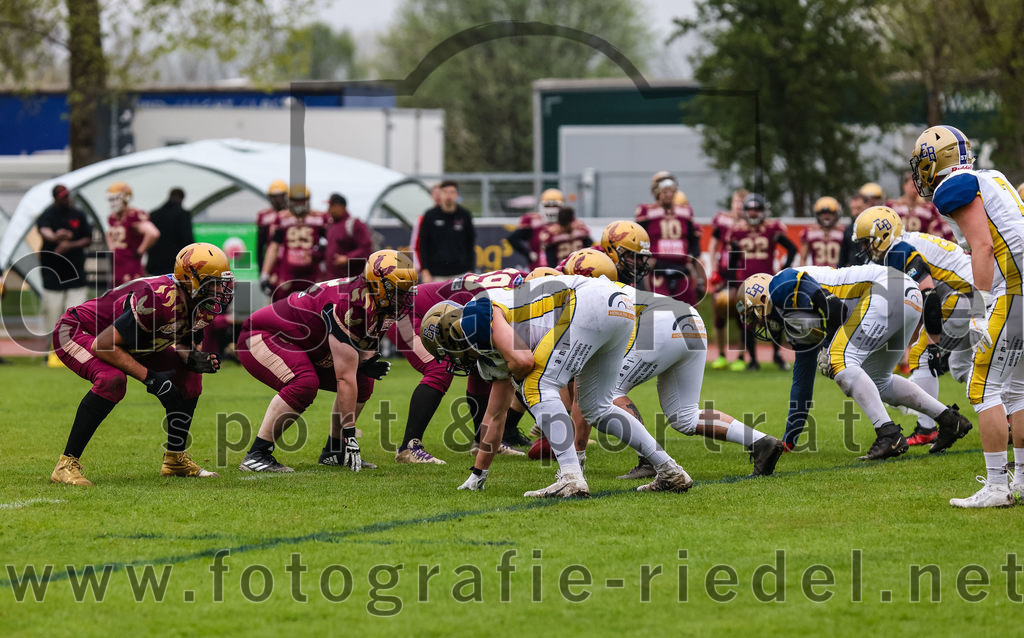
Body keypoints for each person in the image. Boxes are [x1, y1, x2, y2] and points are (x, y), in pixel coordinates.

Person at [426, 273, 693, 497]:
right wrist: (478, 474)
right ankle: (670, 470)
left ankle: (570, 477)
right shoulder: (488, 344)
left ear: (451, 334)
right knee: (597, 408)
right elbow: (495, 416)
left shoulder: (475, 315)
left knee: (536, 386)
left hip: (589, 301)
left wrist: (521, 383)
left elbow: (523, 360)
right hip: (618, 305)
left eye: (447, 353)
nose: (452, 360)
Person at [562, 247, 785, 480]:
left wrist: (576, 454)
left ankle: (647, 458)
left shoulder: (586, 298)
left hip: (661, 324)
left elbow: (582, 381)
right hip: (690, 318)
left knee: (608, 393)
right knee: (684, 416)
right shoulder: (611, 289)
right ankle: (761, 442)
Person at [739, 264, 972, 459]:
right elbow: (802, 380)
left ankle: (888, 434)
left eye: (755, 316)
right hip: (905, 295)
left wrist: (828, 335)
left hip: (886, 290)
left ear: (761, 299)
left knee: (838, 359)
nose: (759, 325)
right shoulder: (793, 316)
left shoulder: (780, 286)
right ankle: (950, 419)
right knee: (878, 381)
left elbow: (828, 303)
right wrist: (789, 439)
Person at [49, 243, 233, 486]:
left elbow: (182, 341)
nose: (219, 289)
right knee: (112, 380)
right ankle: (66, 464)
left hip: (130, 341)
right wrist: (153, 379)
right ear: (190, 280)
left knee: (190, 376)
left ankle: (175, 458)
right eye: (213, 283)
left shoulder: (200, 304)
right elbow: (103, 345)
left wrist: (192, 358)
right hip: (79, 330)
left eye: (222, 282)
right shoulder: (158, 298)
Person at [910, 124, 1024, 507]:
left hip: (1014, 284)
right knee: (1017, 389)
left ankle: (996, 487)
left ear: (934, 160)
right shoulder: (992, 176)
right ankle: (1021, 479)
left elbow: (982, 246)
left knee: (983, 386)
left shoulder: (952, 187)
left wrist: (979, 308)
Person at [236, 250, 416, 473]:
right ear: (377, 283)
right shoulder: (348, 303)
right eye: (397, 291)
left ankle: (334, 451)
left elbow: (363, 349)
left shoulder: (375, 301)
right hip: (263, 334)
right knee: (304, 383)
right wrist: (351, 433)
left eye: (406, 292)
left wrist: (367, 360)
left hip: (306, 343)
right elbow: (344, 378)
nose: (403, 298)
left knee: (363, 380)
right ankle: (257, 453)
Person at [852, 206, 974, 447]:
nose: (865, 249)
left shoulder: (898, 251)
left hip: (964, 295)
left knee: (921, 356)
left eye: (868, 242)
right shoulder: (904, 244)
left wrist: (933, 341)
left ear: (884, 236)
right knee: (962, 367)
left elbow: (928, 295)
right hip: (976, 294)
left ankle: (927, 428)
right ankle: (1008, 416)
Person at [389, 268, 528, 465]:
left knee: (481, 365)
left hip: (437, 317)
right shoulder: (514, 294)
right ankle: (408, 447)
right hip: (407, 315)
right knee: (439, 368)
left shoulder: (516, 284)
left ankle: (483, 441)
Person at [727, 193, 796, 370]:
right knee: (747, 321)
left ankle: (776, 355)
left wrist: (782, 270)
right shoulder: (738, 231)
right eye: (750, 210)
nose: (753, 213)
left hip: (768, 282)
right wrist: (734, 284)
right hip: (746, 283)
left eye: (757, 209)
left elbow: (792, 248)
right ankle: (753, 360)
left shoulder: (772, 229)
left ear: (763, 211)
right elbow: (733, 261)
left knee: (774, 319)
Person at [36, 185, 93, 364]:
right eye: (62, 197)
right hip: (53, 276)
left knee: (77, 316)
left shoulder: (77, 214)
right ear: (55, 198)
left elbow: (87, 238)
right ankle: (51, 353)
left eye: (67, 196)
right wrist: (55, 237)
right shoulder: (48, 214)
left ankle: (77, 352)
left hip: (76, 274)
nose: (66, 199)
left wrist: (69, 244)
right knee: (52, 314)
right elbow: (44, 230)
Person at [635, 173, 702, 304]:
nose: (669, 195)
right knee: (658, 310)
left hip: (681, 269)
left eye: (671, 191)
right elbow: (638, 239)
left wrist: (697, 275)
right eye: (665, 191)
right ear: (657, 192)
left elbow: (694, 243)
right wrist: (643, 265)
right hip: (657, 271)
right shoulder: (646, 211)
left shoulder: (685, 211)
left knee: (689, 312)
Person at [260, 185, 328, 302]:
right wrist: (265, 274)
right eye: (296, 202)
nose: (299, 205)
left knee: (315, 308)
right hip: (288, 273)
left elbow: (330, 244)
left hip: (312, 272)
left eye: (302, 201)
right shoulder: (283, 217)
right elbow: (274, 247)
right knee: (282, 308)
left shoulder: (319, 217)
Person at [708, 189, 748, 371]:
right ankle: (721, 355)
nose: (738, 206)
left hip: (741, 274)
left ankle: (741, 356)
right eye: (736, 202)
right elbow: (713, 243)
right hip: (724, 273)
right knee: (720, 314)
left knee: (744, 316)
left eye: (742, 203)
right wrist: (714, 267)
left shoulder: (751, 224)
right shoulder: (723, 220)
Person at [417, 180, 476, 282]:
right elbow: (423, 245)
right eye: (445, 192)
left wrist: (471, 270)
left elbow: (470, 244)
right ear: (440, 194)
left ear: (456, 195)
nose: (448, 195)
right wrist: (424, 270)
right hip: (436, 274)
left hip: (460, 273)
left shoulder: (465, 215)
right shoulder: (430, 215)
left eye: (452, 192)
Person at [106, 181, 160, 287]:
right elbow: (108, 233)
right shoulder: (113, 217)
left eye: (115, 199)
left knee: (130, 298)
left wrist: (140, 250)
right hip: (117, 266)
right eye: (110, 199)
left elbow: (153, 233)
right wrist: (112, 247)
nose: (112, 203)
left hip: (130, 266)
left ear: (125, 198)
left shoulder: (134, 215)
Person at [507, 189, 564, 269]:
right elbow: (513, 239)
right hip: (538, 269)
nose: (551, 209)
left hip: (561, 268)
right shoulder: (534, 221)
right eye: (548, 206)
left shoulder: (569, 223)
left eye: (555, 206)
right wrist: (528, 254)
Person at [324, 193, 373, 280]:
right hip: (332, 279)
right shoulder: (331, 225)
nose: (329, 210)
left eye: (332, 206)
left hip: (350, 281)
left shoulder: (354, 224)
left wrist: (348, 258)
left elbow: (366, 249)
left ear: (341, 207)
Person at [888, 172, 950, 239]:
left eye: (918, 186)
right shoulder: (892, 206)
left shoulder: (929, 208)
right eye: (912, 186)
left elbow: (936, 231)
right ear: (905, 186)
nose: (915, 189)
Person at [146, 188, 194, 275]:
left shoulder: (154, 214)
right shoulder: (183, 215)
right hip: (175, 262)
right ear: (182, 198)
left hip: (156, 263)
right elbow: (187, 239)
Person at [799, 196, 844, 267]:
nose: (826, 216)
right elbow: (803, 259)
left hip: (838, 274)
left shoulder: (843, 232)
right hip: (817, 274)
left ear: (836, 214)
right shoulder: (810, 232)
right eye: (823, 213)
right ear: (818, 215)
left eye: (830, 213)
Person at [256, 180, 289, 270]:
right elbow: (260, 244)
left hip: (289, 260)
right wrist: (261, 268)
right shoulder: (264, 215)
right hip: (272, 260)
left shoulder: (292, 215)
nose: (277, 200)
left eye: (280, 197)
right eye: (274, 197)